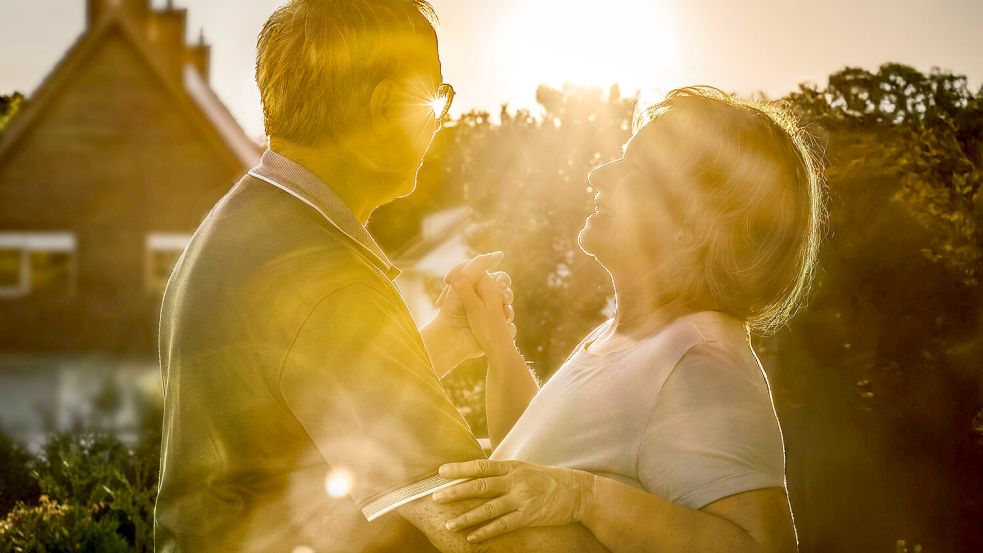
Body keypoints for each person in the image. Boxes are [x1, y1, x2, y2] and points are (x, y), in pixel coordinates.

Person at [154, 1, 606, 552]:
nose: (440, 122)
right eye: (438, 98)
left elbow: (300, 403)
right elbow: (477, 523)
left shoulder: (245, 226)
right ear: (386, 107)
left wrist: (442, 340)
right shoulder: (325, 277)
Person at [436, 86, 825, 552]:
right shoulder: (629, 342)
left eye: (634, 169)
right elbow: (528, 460)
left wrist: (584, 499)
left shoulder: (699, 365)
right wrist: (497, 344)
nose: (599, 173)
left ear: (694, 223)